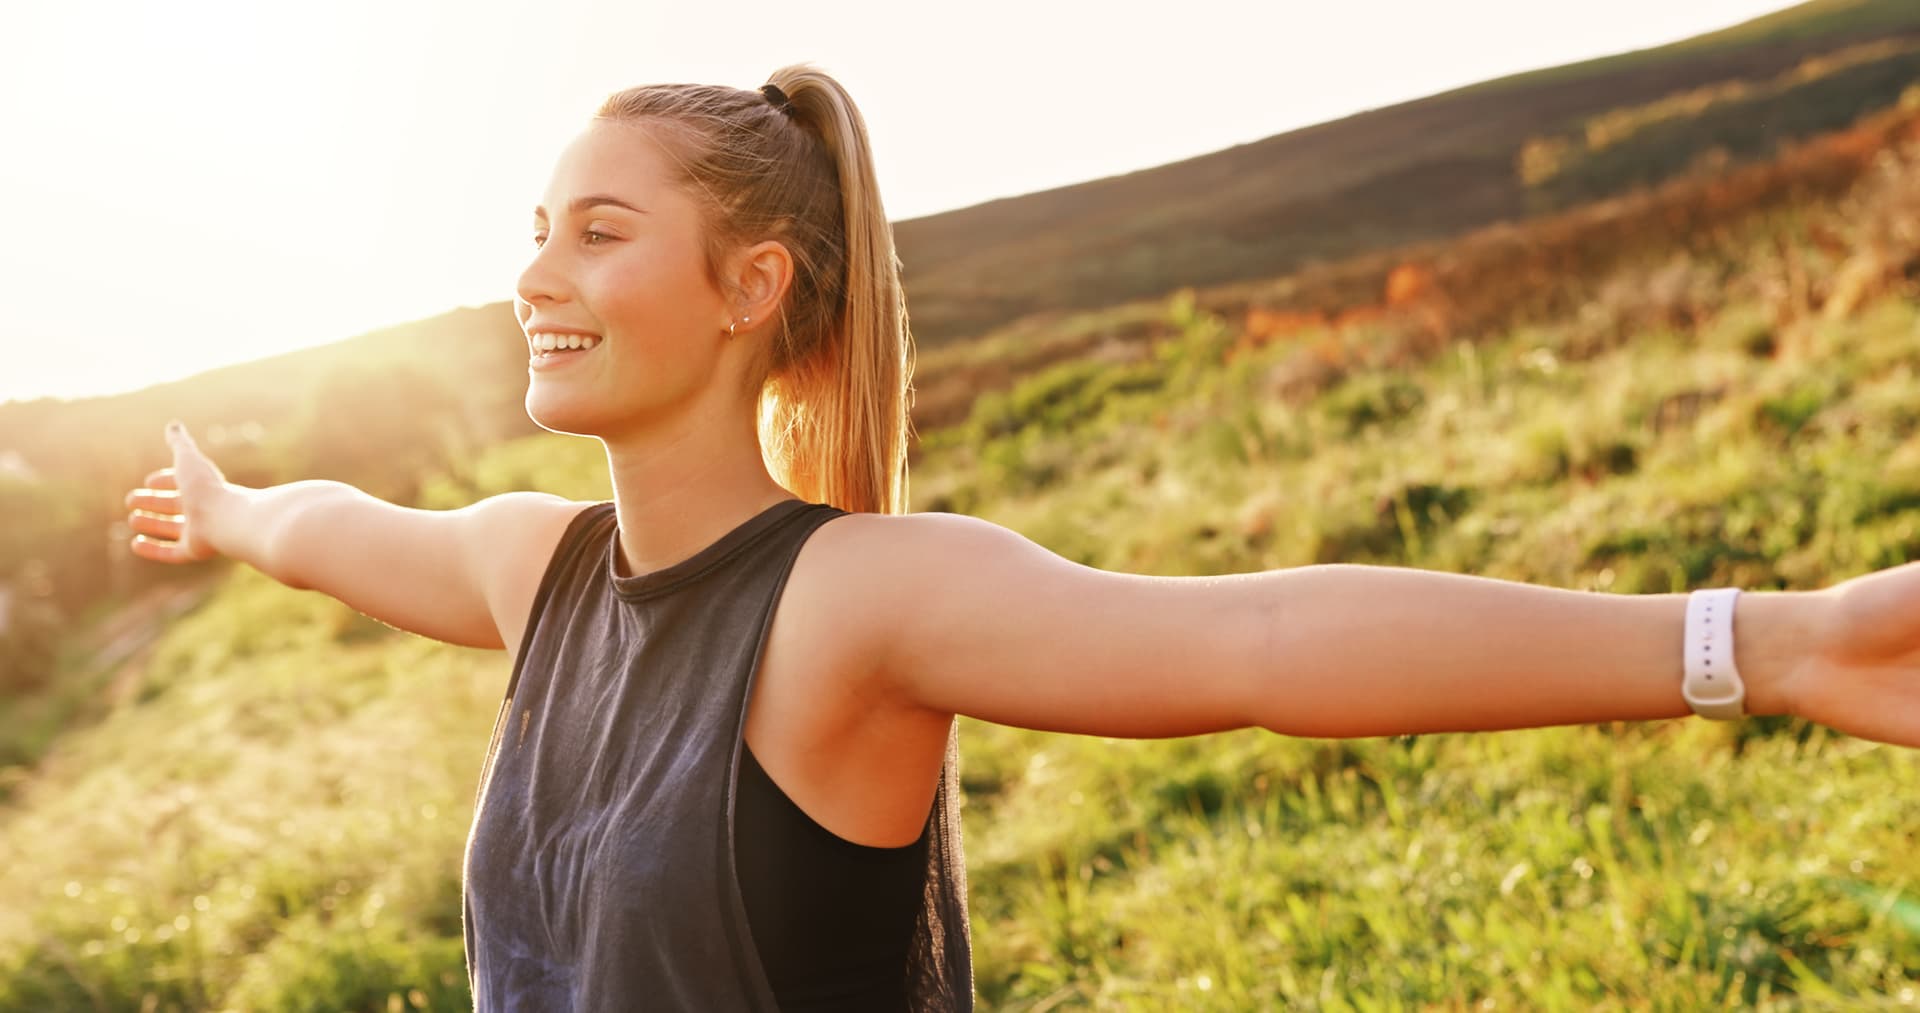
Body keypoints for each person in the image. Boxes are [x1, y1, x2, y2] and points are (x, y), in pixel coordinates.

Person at [123, 62, 1919, 1012]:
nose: (535, 272)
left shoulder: (852, 602)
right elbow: (335, 525)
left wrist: (1764, 642)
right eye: (535, 227)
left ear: (753, 287)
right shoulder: (537, 571)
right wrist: (227, 507)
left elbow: (1256, 648)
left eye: (598, 231)